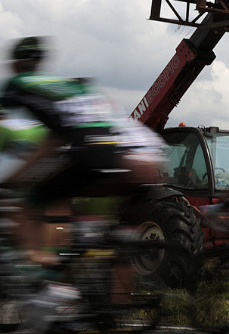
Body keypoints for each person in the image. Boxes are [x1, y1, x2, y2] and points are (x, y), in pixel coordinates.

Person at [0, 37, 163, 303]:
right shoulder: (74, 86)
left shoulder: (18, 85)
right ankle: (118, 310)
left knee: (32, 205)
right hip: (132, 157)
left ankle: (46, 283)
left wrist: (14, 181)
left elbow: (49, 145)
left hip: (92, 152)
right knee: (115, 239)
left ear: (16, 63)